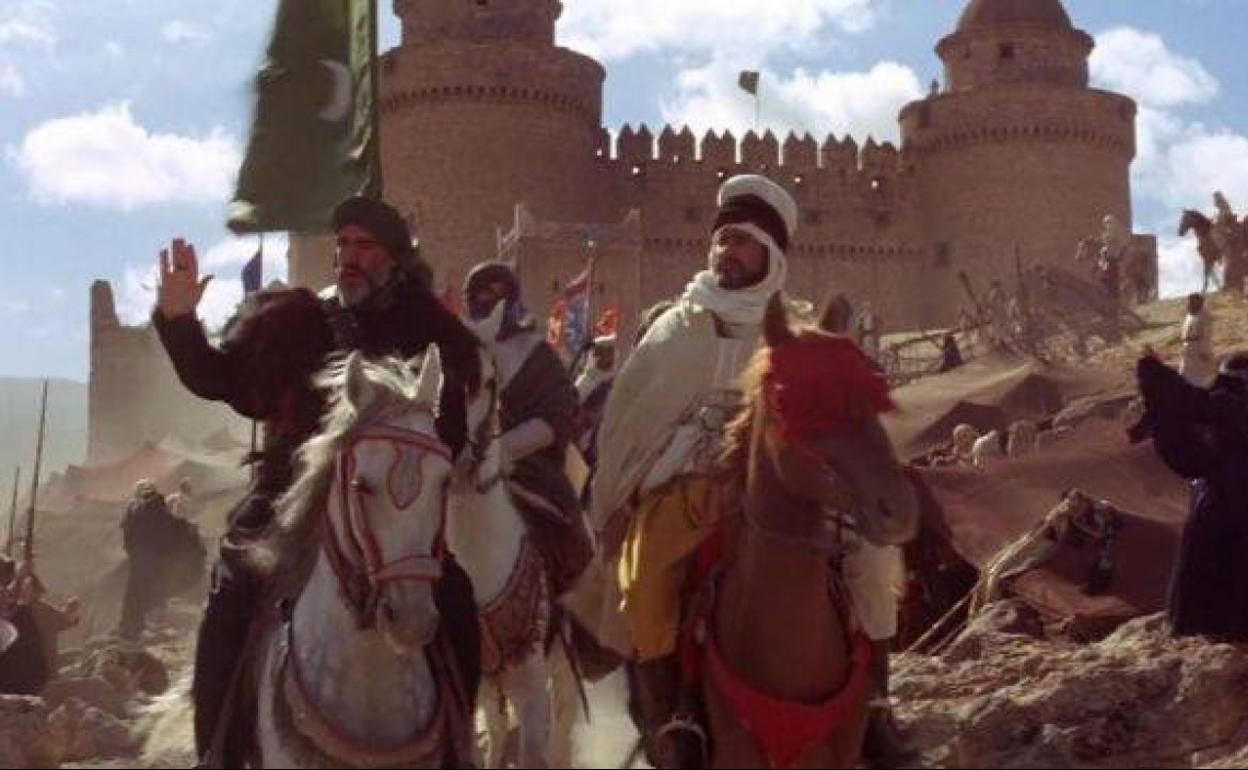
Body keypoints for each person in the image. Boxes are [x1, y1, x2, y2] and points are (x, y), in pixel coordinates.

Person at [152, 195, 483, 766]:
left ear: (396, 259)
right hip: (287, 499)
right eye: (343, 245)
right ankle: (218, 751)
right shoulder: (298, 323)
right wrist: (180, 321)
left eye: (365, 247)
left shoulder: (436, 338)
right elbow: (217, 377)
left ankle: (458, 745)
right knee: (232, 598)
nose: (349, 258)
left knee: (455, 600)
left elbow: (446, 435)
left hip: (386, 509)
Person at [586, 174, 799, 768]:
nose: (727, 251)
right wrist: (619, 500)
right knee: (645, 582)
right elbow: (626, 426)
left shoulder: (790, 332)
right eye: (721, 239)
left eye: (743, 241)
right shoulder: (675, 329)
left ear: (771, 254)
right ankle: (669, 712)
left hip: (765, 497)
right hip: (678, 499)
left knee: (862, 567)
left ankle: (876, 702)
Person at [463, 262, 594, 598]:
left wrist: (503, 450)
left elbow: (558, 414)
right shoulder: (456, 348)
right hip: (461, 462)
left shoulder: (538, 354)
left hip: (527, 464)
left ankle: (568, 604)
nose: (488, 299)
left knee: (567, 523)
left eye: (497, 292)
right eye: (480, 292)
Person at [1137, 351, 1248, 641]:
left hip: (1222, 508)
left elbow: (1188, 417)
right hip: (1217, 506)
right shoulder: (1223, 422)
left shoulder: (1228, 410)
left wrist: (1158, 378)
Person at [118, 480, 180, 640]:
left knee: (135, 592)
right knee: (155, 590)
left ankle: (130, 627)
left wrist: (132, 552)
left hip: (140, 557)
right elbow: (169, 530)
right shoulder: (157, 506)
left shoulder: (133, 507)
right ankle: (148, 626)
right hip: (154, 557)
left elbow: (127, 533)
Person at [574, 336, 617, 470]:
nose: (607, 357)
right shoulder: (584, 382)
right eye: (603, 352)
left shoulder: (613, 384)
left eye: (609, 353)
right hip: (578, 446)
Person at [1180, 293, 1217, 387]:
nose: (1188, 305)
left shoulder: (1204, 317)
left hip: (1199, 354)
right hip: (1189, 354)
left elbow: (1206, 335)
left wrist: (1204, 351)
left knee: (1201, 380)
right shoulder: (1190, 316)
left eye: (1190, 303)